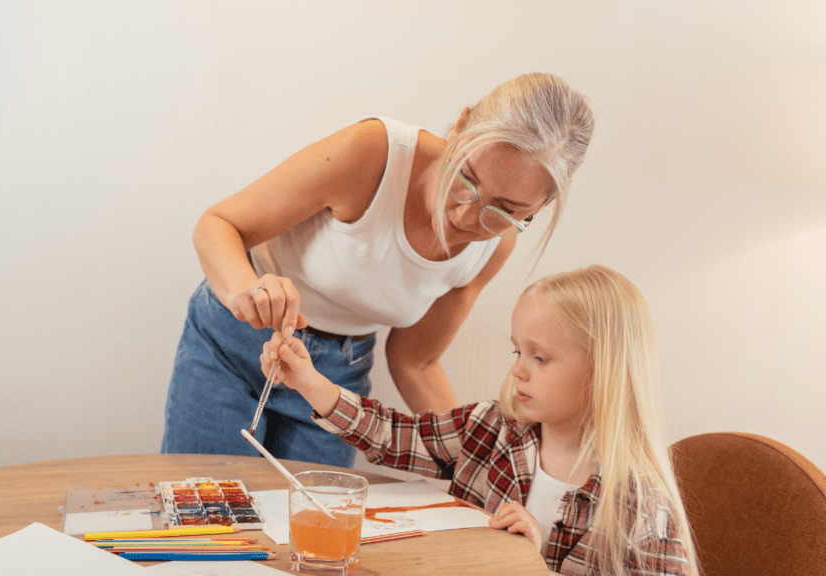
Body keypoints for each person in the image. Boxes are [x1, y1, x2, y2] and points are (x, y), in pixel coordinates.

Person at [161, 73, 595, 467]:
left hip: (336, 378)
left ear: (540, 207)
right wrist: (248, 292)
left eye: (505, 210)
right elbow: (219, 225)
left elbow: (416, 361)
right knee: (204, 518)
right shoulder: (372, 154)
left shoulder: (495, 248)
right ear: (460, 126)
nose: (464, 216)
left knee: (308, 534)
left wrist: (476, 459)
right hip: (233, 343)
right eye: (464, 178)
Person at [260, 265, 698, 576]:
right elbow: (395, 435)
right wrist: (308, 381)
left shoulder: (642, 508)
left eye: (540, 357)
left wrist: (531, 567)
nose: (518, 370)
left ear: (603, 370)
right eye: (518, 352)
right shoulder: (493, 429)